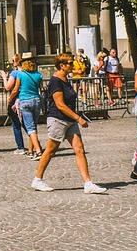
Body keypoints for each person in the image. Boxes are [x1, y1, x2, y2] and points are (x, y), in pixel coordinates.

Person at [31, 54, 105, 194]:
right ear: (62, 65)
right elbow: (60, 104)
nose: (72, 65)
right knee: (50, 151)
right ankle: (38, 179)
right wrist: (78, 118)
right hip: (58, 119)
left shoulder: (65, 79)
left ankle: (88, 183)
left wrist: (74, 118)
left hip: (69, 120)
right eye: (70, 63)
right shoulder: (55, 81)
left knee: (79, 149)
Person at [13, 52, 43, 159]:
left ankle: (38, 151)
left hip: (25, 101)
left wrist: (10, 99)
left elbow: (16, 89)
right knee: (33, 127)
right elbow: (41, 89)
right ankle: (30, 151)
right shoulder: (39, 75)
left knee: (30, 128)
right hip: (36, 100)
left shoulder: (21, 74)